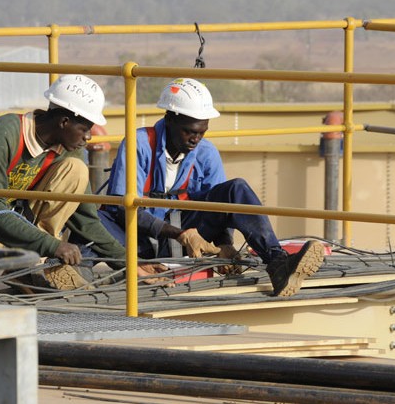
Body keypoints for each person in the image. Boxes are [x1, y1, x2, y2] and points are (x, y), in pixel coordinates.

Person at [98, 77, 324, 297]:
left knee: (236, 189)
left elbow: (220, 208)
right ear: (170, 120)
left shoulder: (206, 153)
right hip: (137, 241)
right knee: (93, 218)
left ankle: (278, 263)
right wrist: (181, 235)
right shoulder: (139, 144)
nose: (195, 139)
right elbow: (123, 207)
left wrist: (224, 244)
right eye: (189, 131)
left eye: (201, 132)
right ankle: (74, 272)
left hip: (184, 237)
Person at [0, 74, 164, 290]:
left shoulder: (66, 153)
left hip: (24, 233)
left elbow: (87, 222)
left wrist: (132, 264)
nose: (88, 138)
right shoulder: (5, 132)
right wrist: (52, 246)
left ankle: (28, 266)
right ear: (64, 122)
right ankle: (30, 259)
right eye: (85, 129)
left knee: (77, 170)